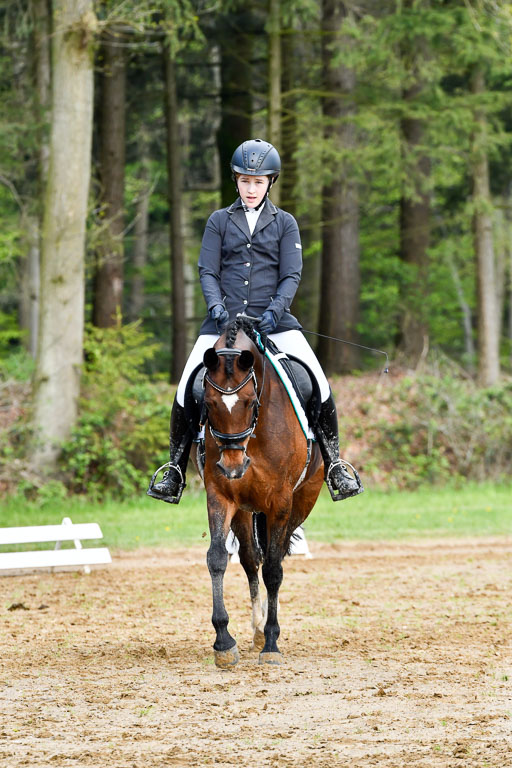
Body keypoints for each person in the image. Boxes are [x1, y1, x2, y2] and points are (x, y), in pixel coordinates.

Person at [148, 138, 363, 504]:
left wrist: (274, 312)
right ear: (236, 181)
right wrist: (217, 308)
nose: (251, 188)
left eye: (258, 182)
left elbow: (291, 275)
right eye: (245, 181)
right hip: (223, 325)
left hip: (274, 322)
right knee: (186, 387)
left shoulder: (285, 223)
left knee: (319, 384)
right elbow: (208, 271)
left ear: (270, 183)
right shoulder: (219, 221)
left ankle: (335, 465)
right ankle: (174, 470)